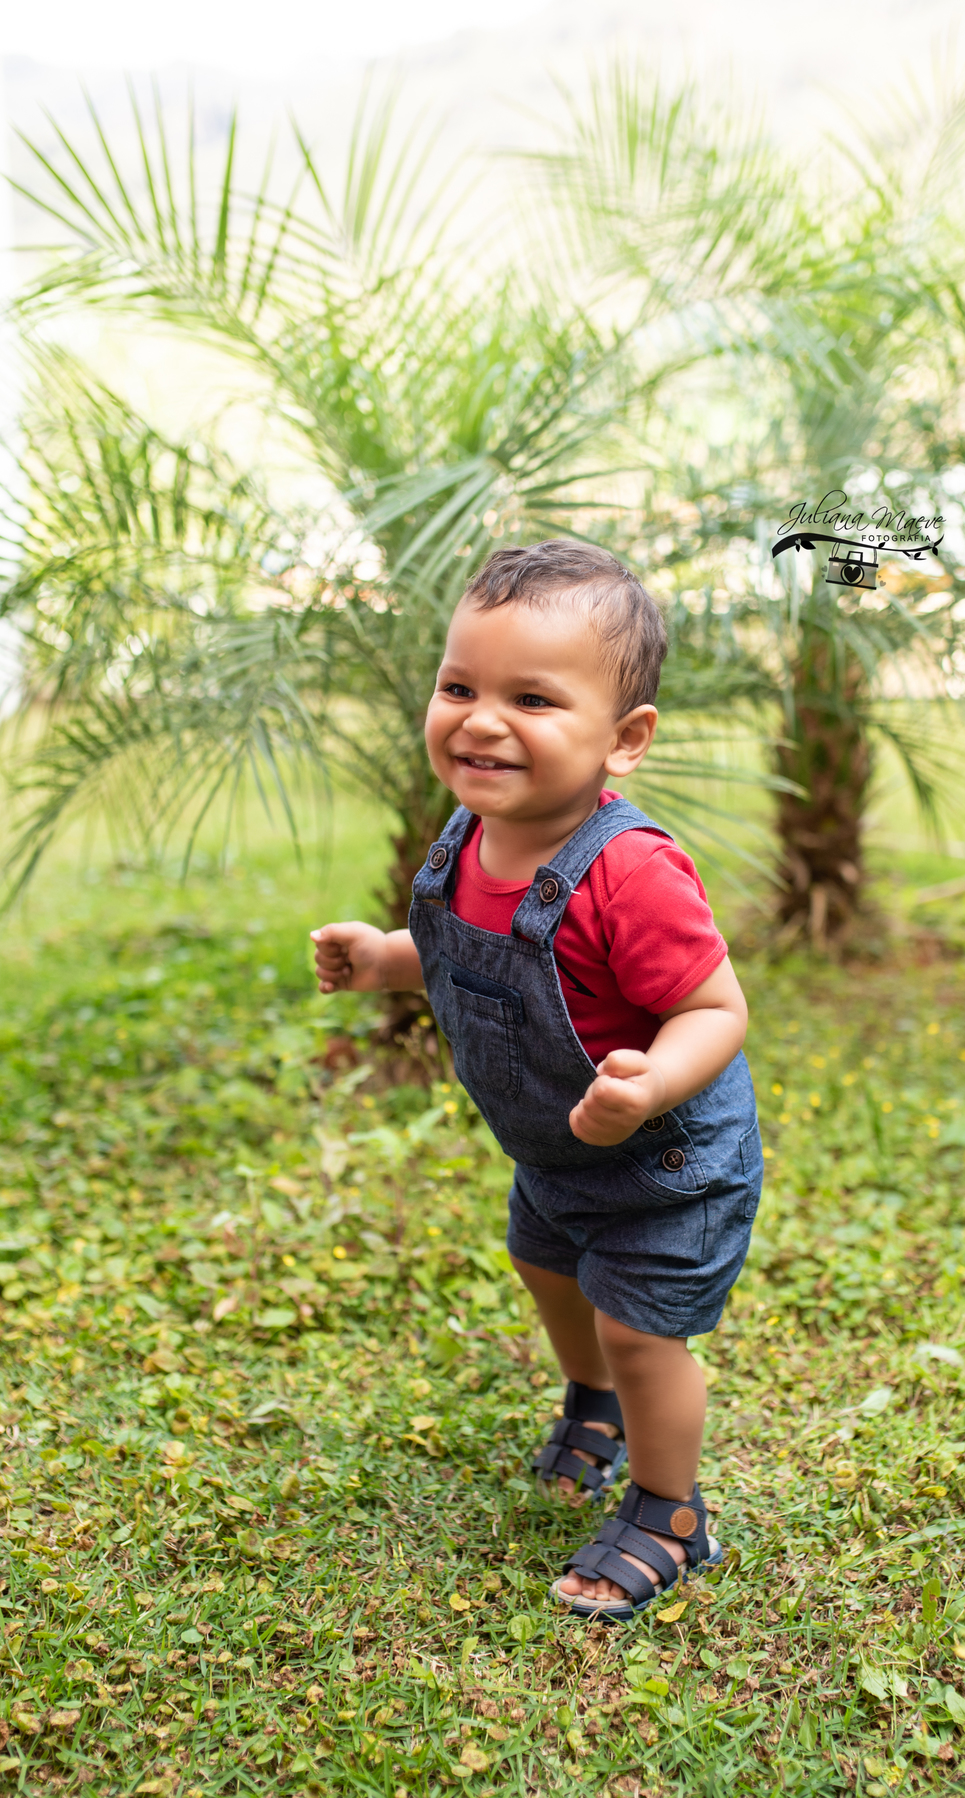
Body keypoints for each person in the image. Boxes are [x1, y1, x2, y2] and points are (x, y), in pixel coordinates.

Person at [310, 540, 762, 1620]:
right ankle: (593, 1403)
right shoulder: (469, 838)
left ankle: (669, 1510)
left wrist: (649, 1084)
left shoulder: (631, 871)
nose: (479, 718)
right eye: (458, 685)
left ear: (626, 738)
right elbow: (468, 949)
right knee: (548, 1272)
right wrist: (383, 956)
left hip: (662, 1160)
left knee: (639, 1326)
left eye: (532, 698)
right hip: (557, 1153)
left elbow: (717, 1010)